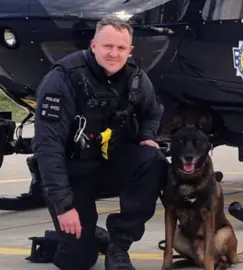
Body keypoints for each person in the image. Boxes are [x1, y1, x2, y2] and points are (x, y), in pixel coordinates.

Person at [32, 15, 168, 270]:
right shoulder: (64, 79)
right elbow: (47, 147)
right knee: (78, 261)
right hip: (73, 174)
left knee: (153, 160)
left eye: (121, 48)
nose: (114, 54)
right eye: (107, 46)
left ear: (129, 51)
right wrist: (63, 206)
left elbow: (153, 111)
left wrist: (147, 137)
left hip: (109, 165)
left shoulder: (135, 78)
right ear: (93, 45)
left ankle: (119, 244)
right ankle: (77, 238)